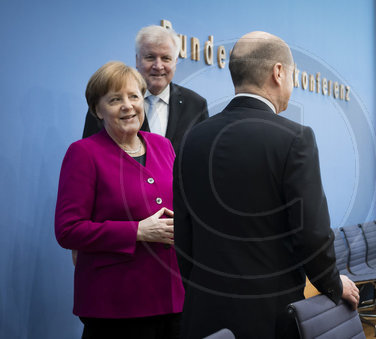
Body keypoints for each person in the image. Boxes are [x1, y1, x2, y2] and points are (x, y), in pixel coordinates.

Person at [173, 31, 359, 339]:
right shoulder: (295, 138)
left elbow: (184, 230)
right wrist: (332, 284)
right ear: (278, 72)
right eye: (292, 75)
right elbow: (311, 234)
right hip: (270, 314)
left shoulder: (192, 137)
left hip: (202, 310)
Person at [55, 61, 183, 339]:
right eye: (115, 99)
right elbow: (68, 230)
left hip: (172, 299)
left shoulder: (163, 145)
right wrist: (137, 231)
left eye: (134, 96)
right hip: (115, 306)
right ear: (97, 109)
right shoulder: (83, 153)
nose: (128, 106)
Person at [82, 25, 208, 155]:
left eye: (166, 58)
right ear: (137, 60)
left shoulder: (196, 105)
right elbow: (89, 152)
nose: (158, 66)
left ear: (175, 62)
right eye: (150, 57)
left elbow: (201, 156)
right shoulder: (106, 104)